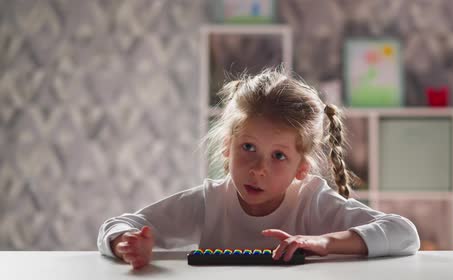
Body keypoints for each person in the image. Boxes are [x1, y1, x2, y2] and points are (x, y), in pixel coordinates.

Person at [97, 67, 420, 269]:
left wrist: (323, 243)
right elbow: (120, 224)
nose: (258, 169)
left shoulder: (312, 201)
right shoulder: (210, 201)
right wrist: (126, 243)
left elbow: (404, 234)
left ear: (301, 168)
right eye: (248, 148)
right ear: (227, 148)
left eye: (278, 156)